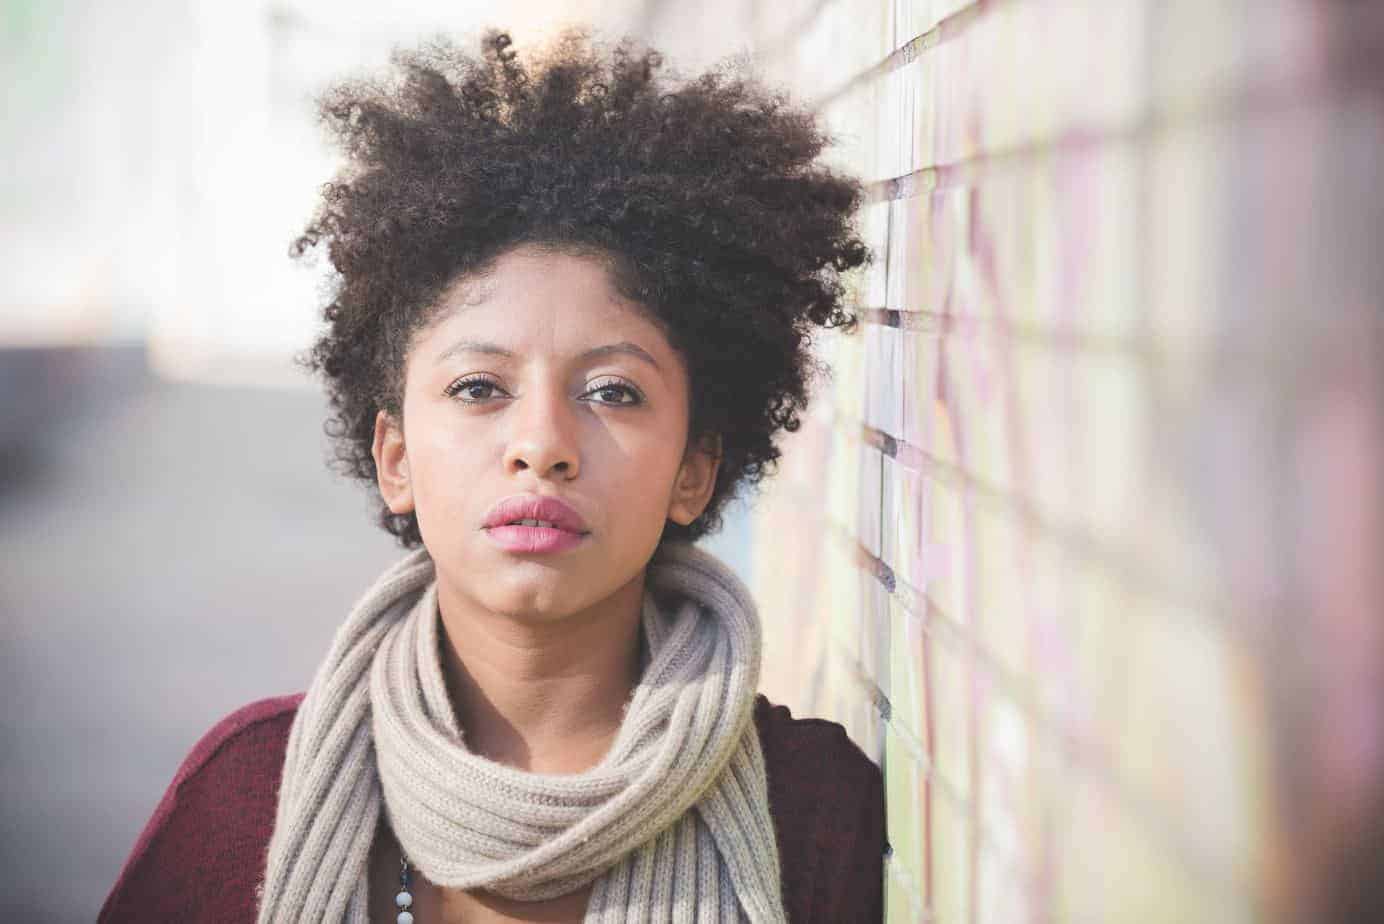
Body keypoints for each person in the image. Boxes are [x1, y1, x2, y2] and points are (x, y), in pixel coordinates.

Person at [99, 27, 882, 923]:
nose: (541, 443)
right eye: (479, 387)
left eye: (614, 391)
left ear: (694, 472)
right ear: (395, 458)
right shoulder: (244, 800)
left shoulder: (811, 812)